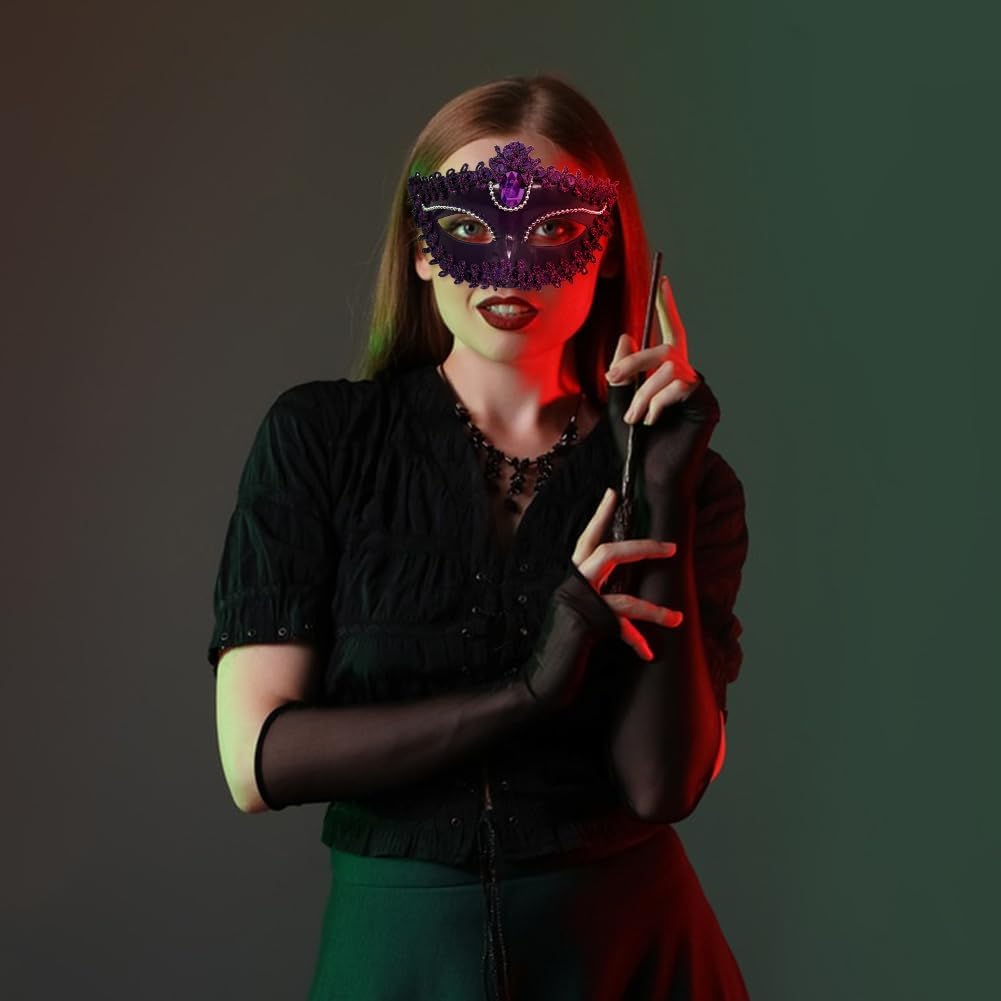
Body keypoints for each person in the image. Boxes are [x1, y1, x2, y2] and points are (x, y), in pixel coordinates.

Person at [207, 74, 751, 1001]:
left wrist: (658, 484)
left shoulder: (685, 479)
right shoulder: (320, 440)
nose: (505, 264)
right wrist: (530, 690)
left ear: (606, 254)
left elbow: (662, 787)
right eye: (464, 225)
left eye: (552, 228)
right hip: (400, 959)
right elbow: (258, 761)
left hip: (629, 956)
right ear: (419, 249)